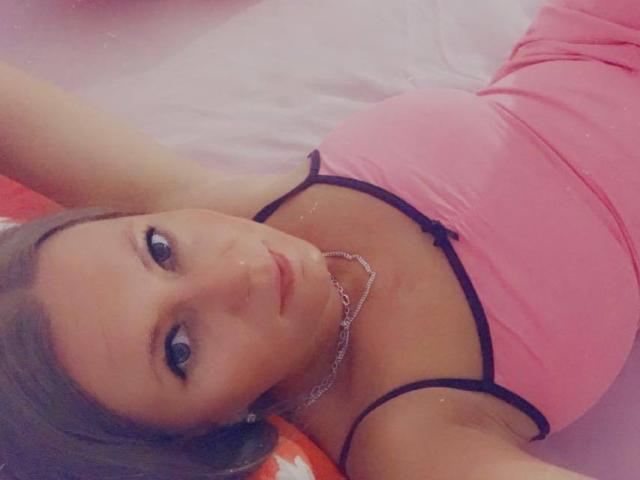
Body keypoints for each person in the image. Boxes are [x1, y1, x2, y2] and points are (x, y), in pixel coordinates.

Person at [1, 0, 639, 478]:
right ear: (197, 438)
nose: (235, 275)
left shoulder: (218, 209)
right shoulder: (408, 437)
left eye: (159, 251)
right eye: (181, 348)